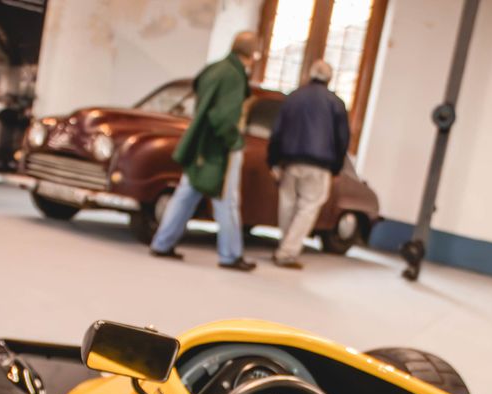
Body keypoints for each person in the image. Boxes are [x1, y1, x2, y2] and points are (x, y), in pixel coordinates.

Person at [149, 31, 259, 272]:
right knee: (227, 200)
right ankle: (230, 255)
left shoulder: (213, 69)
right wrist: (234, 142)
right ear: (252, 55)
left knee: (185, 194)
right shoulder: (234, 76)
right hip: (219, 149)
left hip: (199, 142)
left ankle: (162, 243)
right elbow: (224, 118)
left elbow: (201, 98)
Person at [267, 59, 350, 269]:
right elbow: (342, 139)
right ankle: (287, 252)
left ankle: (284, 245)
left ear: (309, 74)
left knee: (287, 204)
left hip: (290, 161)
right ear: (329, 78)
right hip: (319, 164)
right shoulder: (335, 103)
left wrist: (273, 161)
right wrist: (337, 167)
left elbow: (277, 131)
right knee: (308, 208)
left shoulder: (293, 97)